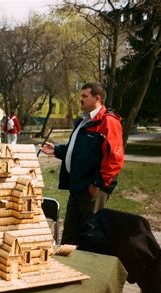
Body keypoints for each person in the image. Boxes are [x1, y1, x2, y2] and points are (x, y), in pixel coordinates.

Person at [40, 82, 124, 245]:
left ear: (97, 99)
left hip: (92, 190)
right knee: (70, 235)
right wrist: (56, 150)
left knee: (88, 234)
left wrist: (97, 185)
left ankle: (84, 268)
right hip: (77, 187)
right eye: (81, 96)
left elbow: (114, 159)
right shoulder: (83, 121)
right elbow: (78, 151)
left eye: (85, 96)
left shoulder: (108, 122)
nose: (81, 100)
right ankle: (66, 267)